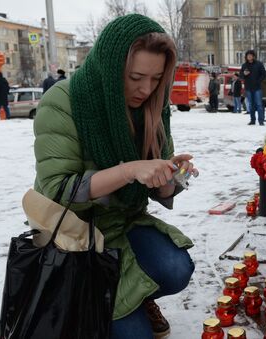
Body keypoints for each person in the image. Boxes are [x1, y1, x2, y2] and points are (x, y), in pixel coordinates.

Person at [33, 15, 196, 338]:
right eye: (135, 77)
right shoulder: (65, 101)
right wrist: (129, 170)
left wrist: (168, 178)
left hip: (122, 224)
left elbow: (155, 185)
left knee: (177, 268)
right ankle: (87, 307)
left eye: (156, 78)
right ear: (111, 67)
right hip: (73, 237)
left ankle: (134, 296)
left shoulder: (153, 105)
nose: (146, 89)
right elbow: (56, 191)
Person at [239, 50, 266, 125]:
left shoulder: (259, 64)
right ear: (246, 57)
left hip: (257, 87)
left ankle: (261, 121)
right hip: (248, 87)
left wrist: (258, 81)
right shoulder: (244, 65)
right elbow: (240, 76)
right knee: (251, 104)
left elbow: (264, 74)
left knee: (259, 104)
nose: (249, 57)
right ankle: (252, 120)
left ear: (253, 56)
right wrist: (244, 74)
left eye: (251, 55)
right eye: (248, 55)